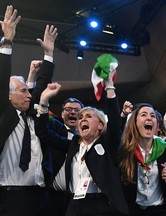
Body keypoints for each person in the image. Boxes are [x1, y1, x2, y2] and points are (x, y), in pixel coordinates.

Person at [35, 71, 129, 216]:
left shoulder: (107, 144)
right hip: (74, 204)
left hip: (101, 206)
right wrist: (43, 101)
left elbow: (115, 125)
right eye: (81, 117)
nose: (82, 119)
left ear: (100, 126)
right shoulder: (73, 144)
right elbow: (43, 133)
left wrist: (109, 86)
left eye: (89, 116)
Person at [0, 5, 58, 216]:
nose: (28, 95)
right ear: (8, 96)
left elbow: (42, 87)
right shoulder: (5, 115)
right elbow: (2, 77)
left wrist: (48, 54)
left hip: (41, 196)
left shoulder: (34, 117)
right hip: (11, 196)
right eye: (23, 91)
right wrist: (7, 41)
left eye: (28, 91)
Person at [118, 103, 166, 216]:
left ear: (157, 125)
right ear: (135, 123)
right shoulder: (126, 151)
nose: (149, 118)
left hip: (162, 211)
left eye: (152, 116)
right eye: (143, 115)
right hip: (134, 211)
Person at [47, 97, 84, 216]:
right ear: (62, 114)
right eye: (68, 109)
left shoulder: (90, 138)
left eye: (77, 109)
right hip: (55, 197)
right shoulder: (54, 128)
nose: (73, 112)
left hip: (82, 197)